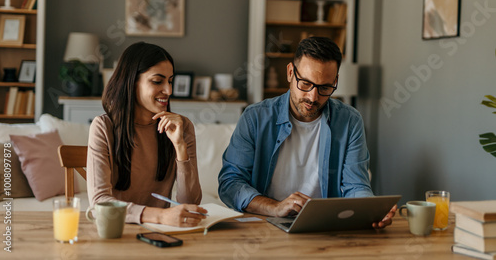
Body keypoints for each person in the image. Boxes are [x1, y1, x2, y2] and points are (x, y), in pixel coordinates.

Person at [218, 36, 395, 228]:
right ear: (290, 73)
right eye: (305, 83)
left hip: (327, 228)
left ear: (335, 81)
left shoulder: (350, 121)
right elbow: (230, 184)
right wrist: (275, 207)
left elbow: (356, 186)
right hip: (265, 224)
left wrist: (370, 210)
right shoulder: (255, 118)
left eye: (325, 87)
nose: (313, 97)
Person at [87, 42, 207, 226]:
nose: (168, 90)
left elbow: (189, 203)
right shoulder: (103, 127)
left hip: (162, 232)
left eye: (170, 81)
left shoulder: (182, 127)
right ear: (131, 81)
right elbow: (99, 203)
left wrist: (180, 147)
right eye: (157, 81)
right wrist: (161, 216)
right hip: (119, 230)